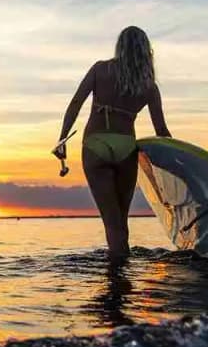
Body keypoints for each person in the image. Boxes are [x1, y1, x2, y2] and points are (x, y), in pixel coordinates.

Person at [54, 26, 171, 259]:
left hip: (96, 145)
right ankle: (122, 278)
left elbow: (76, 103)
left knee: (111, 223)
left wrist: (62, 138)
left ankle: (116, 279)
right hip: (126, 148)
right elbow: (162, 132)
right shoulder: (149, 87)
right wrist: (178, 166)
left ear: (120, 46)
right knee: (121, 223)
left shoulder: (100, 69)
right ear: (146, 50)